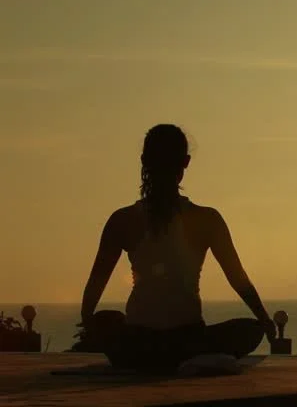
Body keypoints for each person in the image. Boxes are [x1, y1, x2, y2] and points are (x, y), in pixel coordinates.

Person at [79, 124, 276, 372]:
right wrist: (265, 321)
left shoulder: (122, 219)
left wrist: (89, 322)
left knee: (106, 321)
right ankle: (186, 359)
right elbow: (238, 278)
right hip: (189, 340)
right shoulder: (208, 219)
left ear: (143, 161)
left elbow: (96, 281)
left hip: (139, 343)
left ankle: (153, 360)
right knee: (250, 329)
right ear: (185, 162)